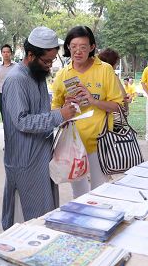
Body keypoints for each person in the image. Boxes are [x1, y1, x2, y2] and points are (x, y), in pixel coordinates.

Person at [1, 26, 76, 230]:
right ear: (31, 54)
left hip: (42, 156)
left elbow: (41, 111)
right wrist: (59, 115)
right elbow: (22, 121)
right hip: (24, 160)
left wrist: (62, 110)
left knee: (45, 215)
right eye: (46, 61)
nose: (49, 66)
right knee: (25, 224)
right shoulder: (17, 79)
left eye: (52, 61)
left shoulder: (38, 74)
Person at [51, 26, 123, 198]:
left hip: (100, 143)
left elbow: (119, 106)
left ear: (92, 47)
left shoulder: (105, 69)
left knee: (100, 194)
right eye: (73, 46)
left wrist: (94, 101)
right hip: (74, 146)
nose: (78, 51)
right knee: (80, 196)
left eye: (83, 47)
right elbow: (54, 109)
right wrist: (65, 107)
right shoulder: (63, 74)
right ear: (68, 47)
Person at [0, 44, 17, 120]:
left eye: (8, 52)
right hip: (2, 95)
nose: (6, 54)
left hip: (13, 95)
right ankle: (6, 132)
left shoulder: (16, 66)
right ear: (1, 54)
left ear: (11, 53)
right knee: (4, 118)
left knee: (14, 117)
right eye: (4, 52)